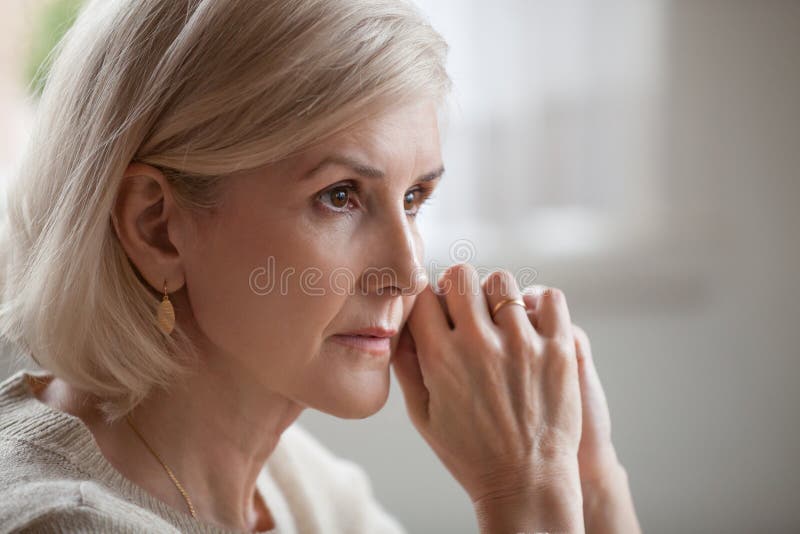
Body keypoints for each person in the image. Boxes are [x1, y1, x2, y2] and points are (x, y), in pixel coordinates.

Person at [0, 0, 641, 532]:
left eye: (415, 197)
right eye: (340, 196)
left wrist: (590, 479)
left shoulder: (291, 483)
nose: (408, 271)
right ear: (157, 228)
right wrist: (521, 490)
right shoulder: (67, 523)